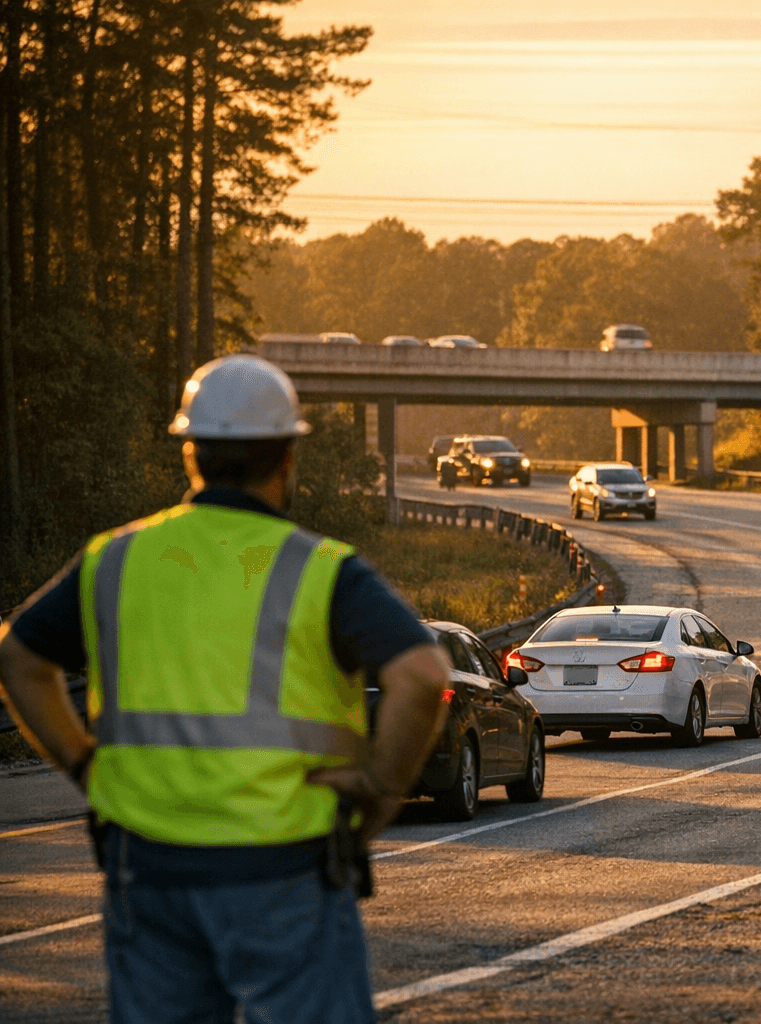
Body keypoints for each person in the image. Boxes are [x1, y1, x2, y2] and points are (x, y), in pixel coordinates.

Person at [0, 354, 452, 1022]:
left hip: (147, 865)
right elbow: (421, 676)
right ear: (287, 460)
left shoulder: (115, 560)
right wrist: (381, 791)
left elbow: (18, 657)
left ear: (191, 455)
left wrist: (85, 763)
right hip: (285, 866)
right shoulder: (323, 570)